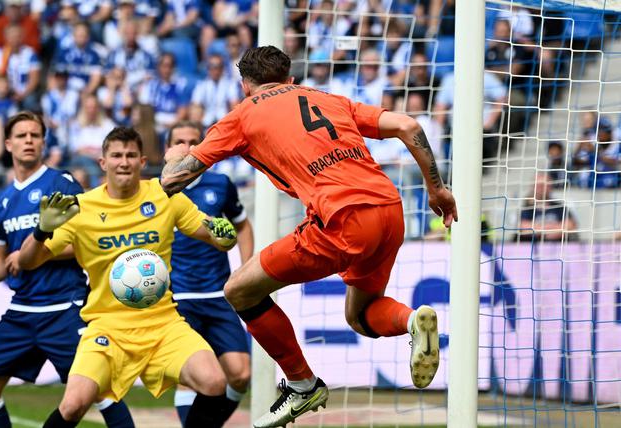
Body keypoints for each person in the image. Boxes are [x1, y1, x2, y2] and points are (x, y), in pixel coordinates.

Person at [160, 46, 457, 427]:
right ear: (290, 79)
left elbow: (173, 179)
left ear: (245, 86)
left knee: (239, 290)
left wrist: (171, 161)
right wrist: (437, 190)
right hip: (388, 210)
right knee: (360, 315)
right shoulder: (328, 100)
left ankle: (302, 384)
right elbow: (409, 126)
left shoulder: (242, 115)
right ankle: (412, 320)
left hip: (341, 219)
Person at [17, 126, 242, 427]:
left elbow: (216, 235)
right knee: (72, 405)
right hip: (108, 328)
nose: (124, 162)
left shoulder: (165, 196)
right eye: (117, 156)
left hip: (163, 324)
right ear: (103, 162)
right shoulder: (81, 209)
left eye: (131, 155)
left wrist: (223, 234)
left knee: (214, 381)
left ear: (142, 161)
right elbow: (28, 261)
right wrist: (41, 231)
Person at [0, 111, 135, 428]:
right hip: (22, 309)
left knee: (101, 389)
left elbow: (89, 241)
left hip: (64, 305)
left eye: (35, 135)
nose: (29, 141)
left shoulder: (62, 183)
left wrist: (36, 254)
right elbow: (4, 258)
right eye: (21, 136)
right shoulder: (2, 201)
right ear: (8, 144)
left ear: (43, 143)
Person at [165, 121, 253, 426]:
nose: (187, 147)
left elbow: (242, 226)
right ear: (167, 149)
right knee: (192, 377)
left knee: (240, 374)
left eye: (193, 141)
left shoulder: (220, 184)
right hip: (178, 297)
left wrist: (245, 271)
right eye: (179, 141)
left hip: (217, 294)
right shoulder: (156, 191)